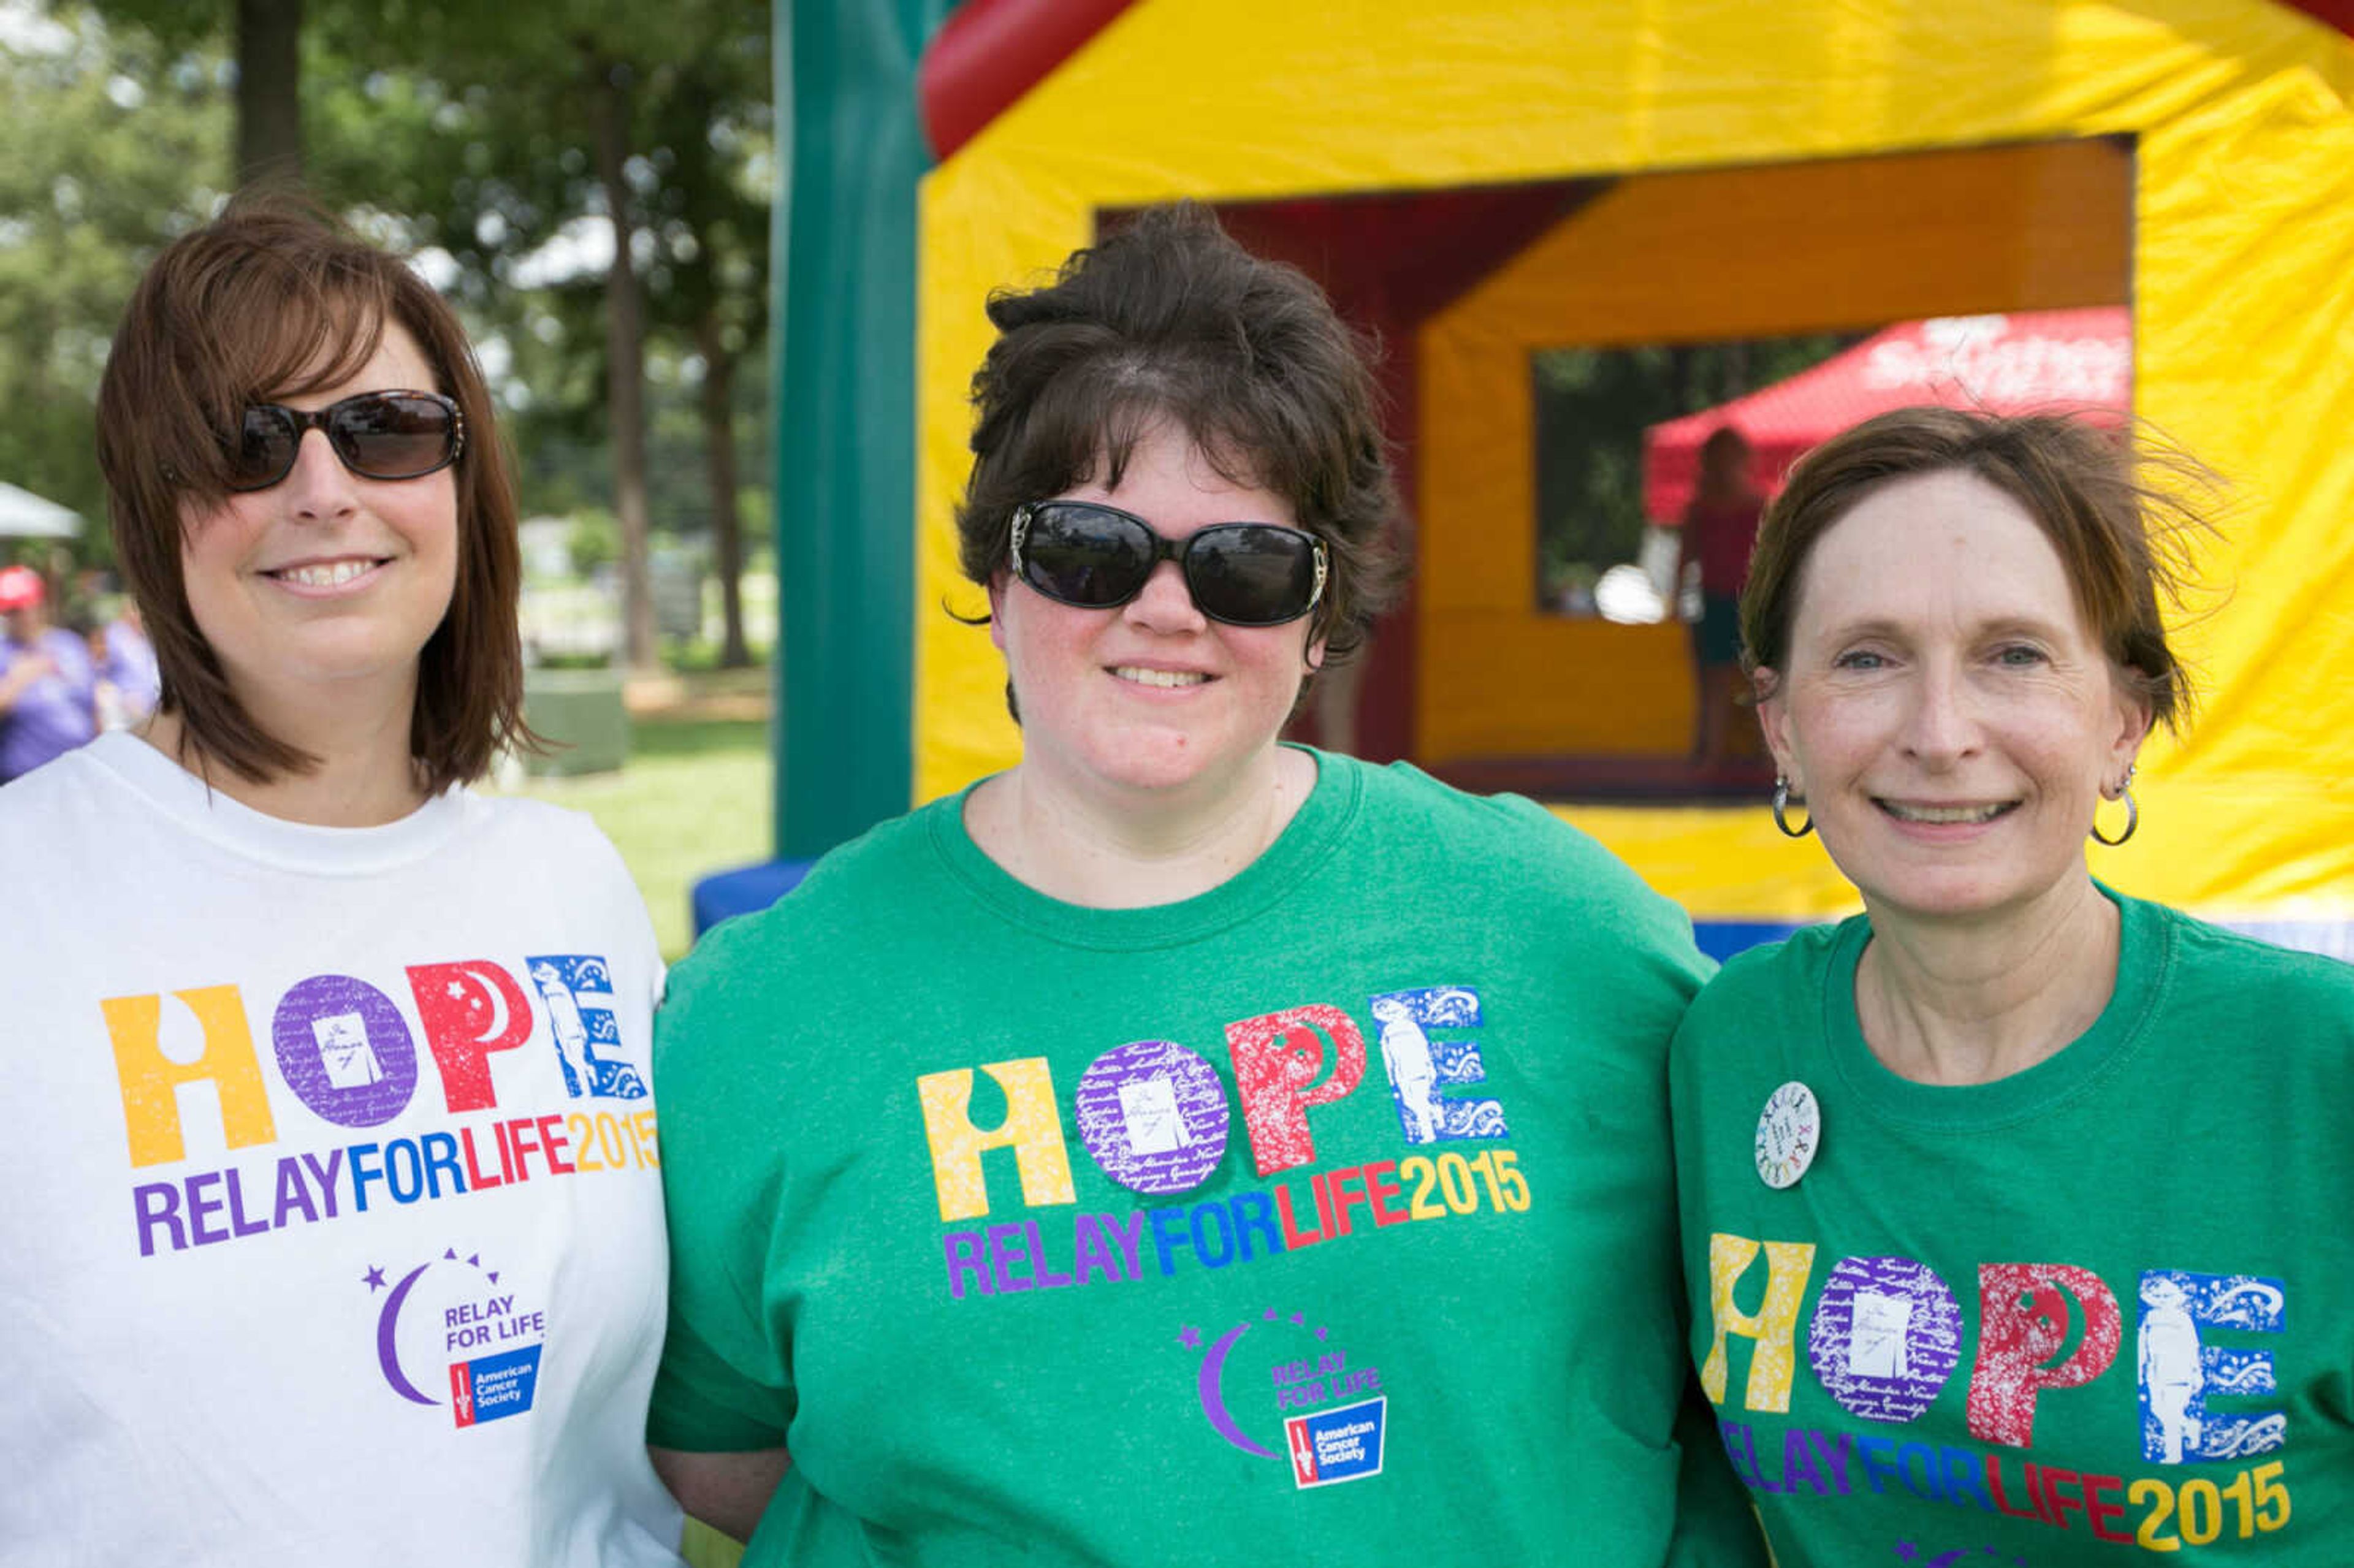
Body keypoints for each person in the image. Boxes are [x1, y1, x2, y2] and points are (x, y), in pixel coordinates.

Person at [647, 205, 1759, 1566]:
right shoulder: (767, 1004)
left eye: (1243, 565)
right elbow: (716, 1444)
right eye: (1089, 549)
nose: (1165, 608)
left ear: (1319, 612)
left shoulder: (1549, 922)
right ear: (998, 574)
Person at [0, 202, 685, 1566]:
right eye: (245, 443)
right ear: (154, 508)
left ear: (458, 475)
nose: (325, 489)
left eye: (387, 429)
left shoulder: (573, 887)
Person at [1670, 407, 2354, 1563]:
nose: (1940, 733)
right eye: (1868, 657)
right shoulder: (1730, 1045)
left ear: (2124, 724)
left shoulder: (2315, 1061)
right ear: (1781, 725)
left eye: (2015, 655)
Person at [1675, 425, 1765, 771]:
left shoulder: (1759, 506)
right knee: (1715, 681)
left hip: (1752, 602)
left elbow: (1774, 555)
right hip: (1714, 600)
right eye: (1719, 459)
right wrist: (1676, 600)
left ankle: (1770, 757)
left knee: (1761, 679)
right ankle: (1710, 755)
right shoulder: (1700, 508)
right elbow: (1687, 556)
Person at [0, 563, 99, 780]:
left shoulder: (69, 644)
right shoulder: (4, 651)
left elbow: (92, 705)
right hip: (23, 777)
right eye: (11, 611)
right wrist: (20, 679)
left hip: (76, 771)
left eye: (23, 607)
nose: (19, 616)